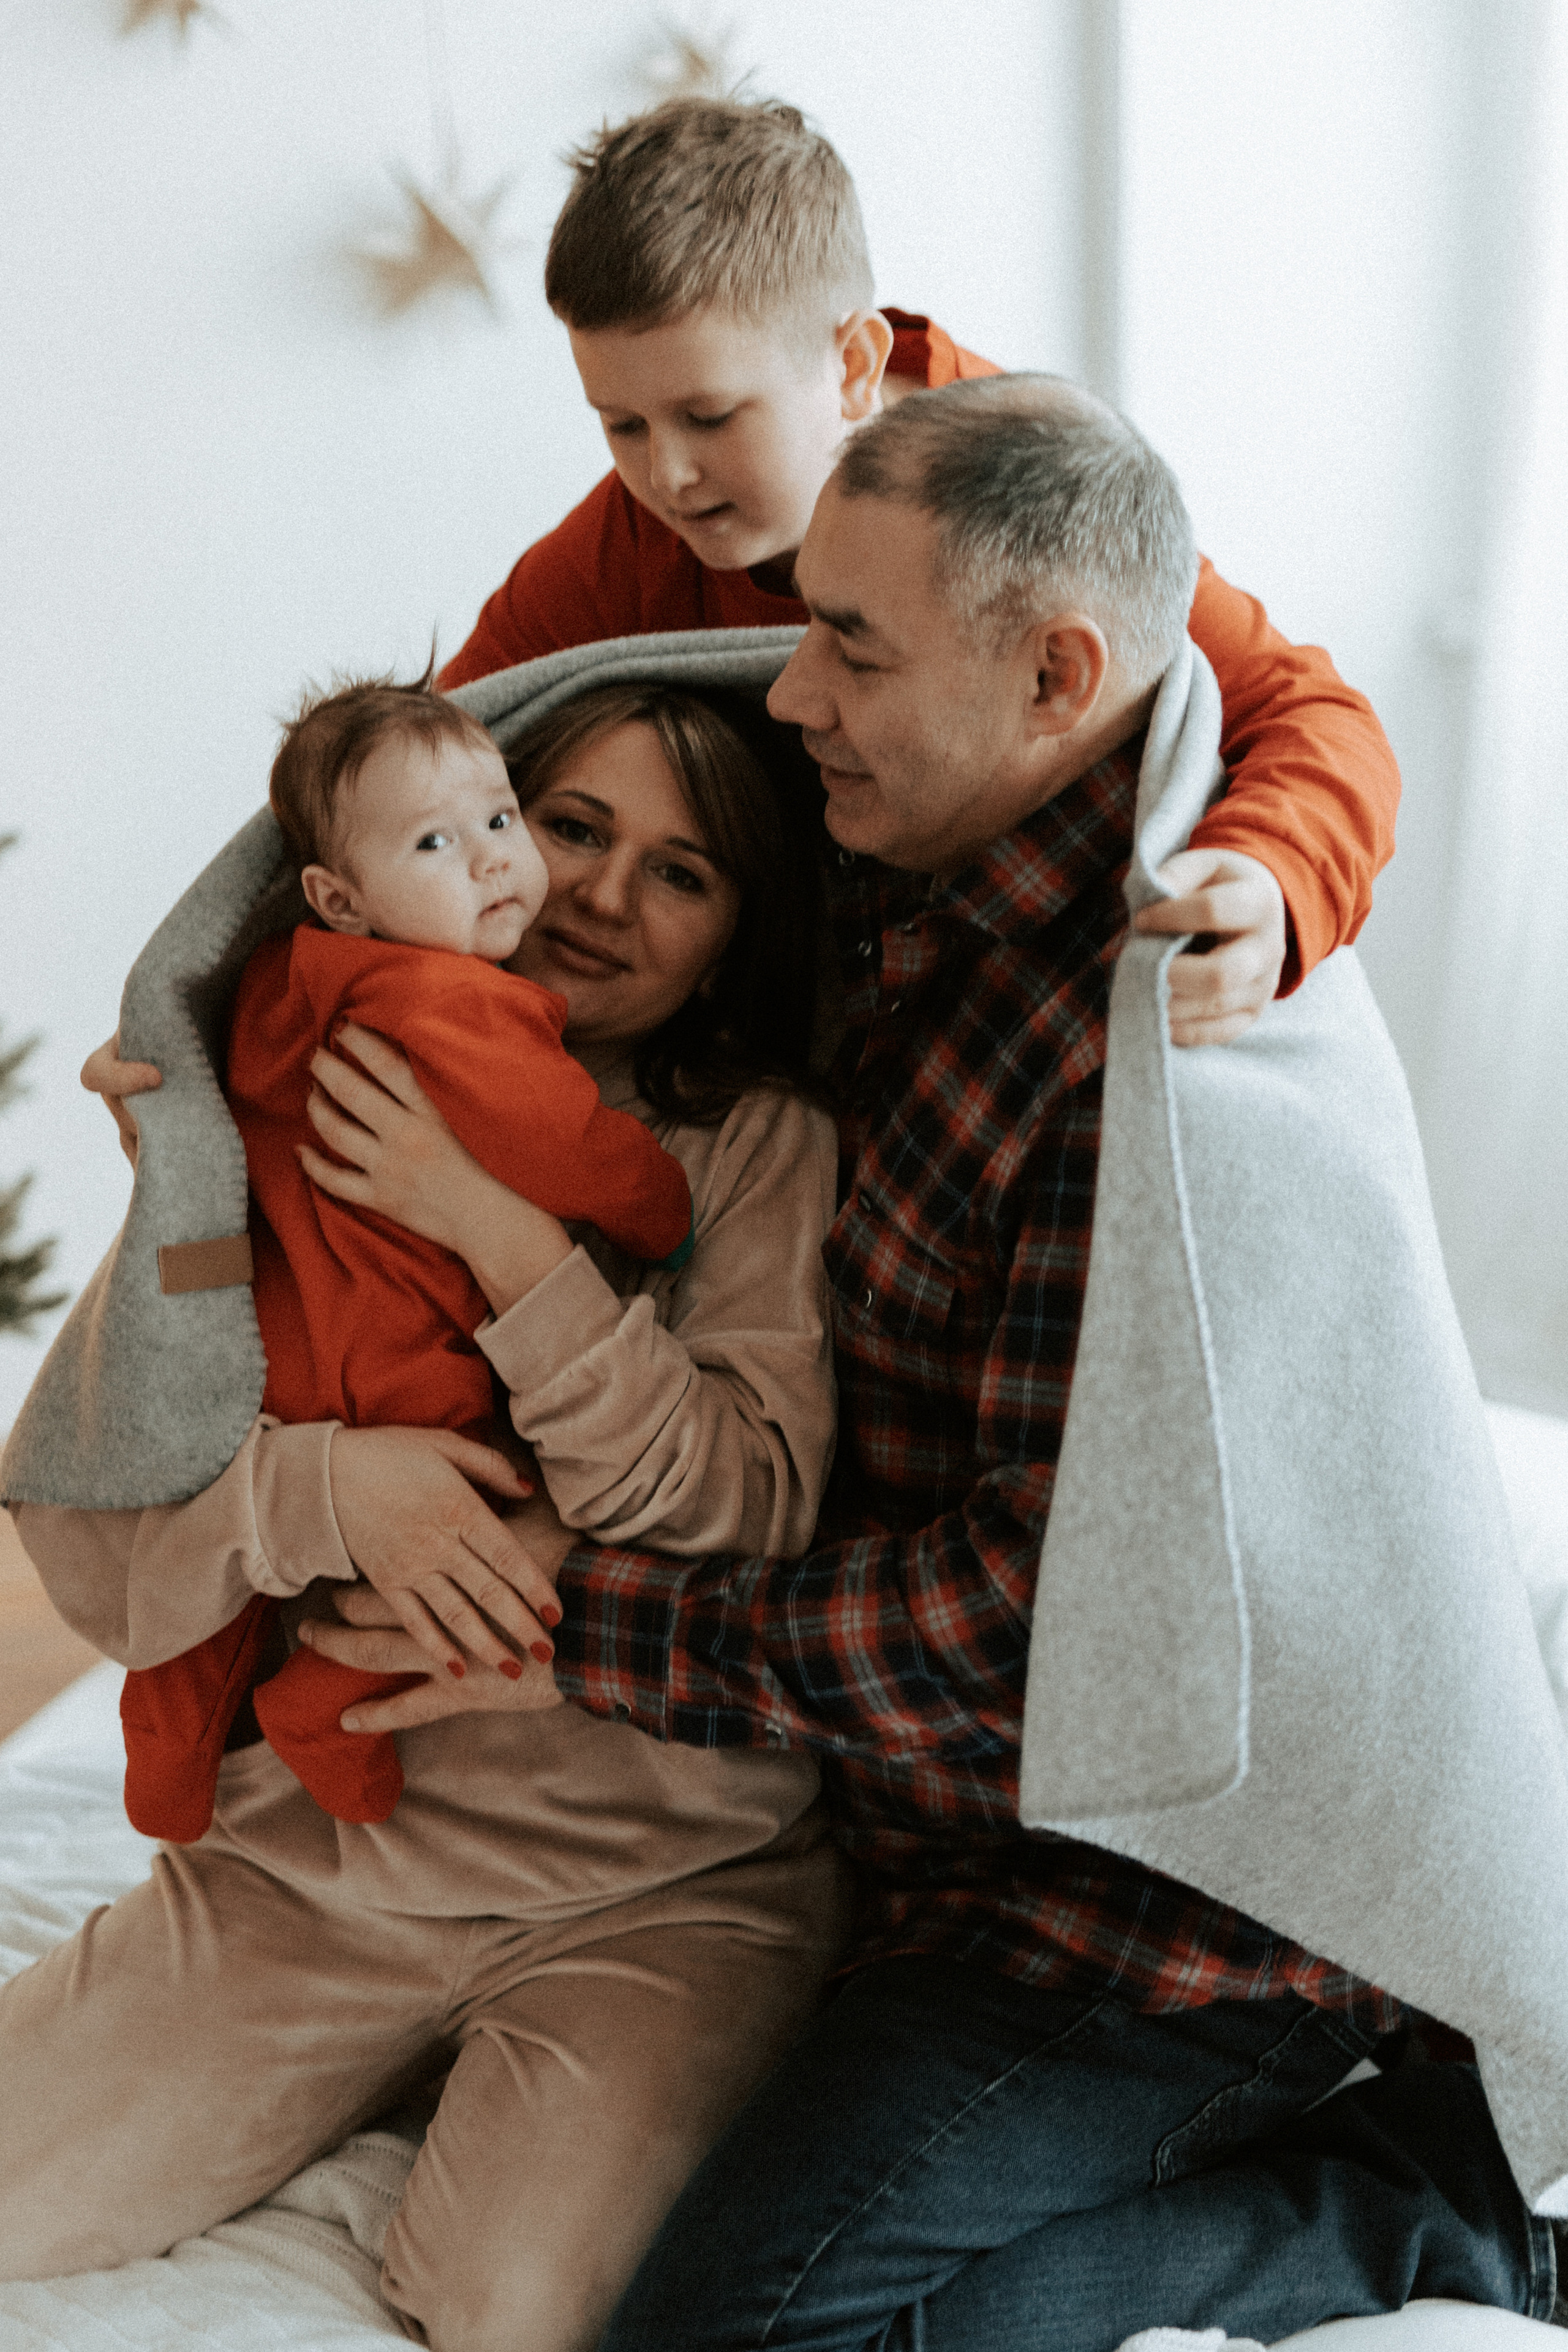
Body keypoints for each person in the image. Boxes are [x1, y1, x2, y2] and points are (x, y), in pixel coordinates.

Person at [301, 377, 1549, 2350]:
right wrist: (232, 1048)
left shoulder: (1151, 1077)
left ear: (1058, 676)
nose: (789, 695)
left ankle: (1425, 2225)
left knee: (734, 2332)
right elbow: (442, 805)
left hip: (1155, 1926)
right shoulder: (904, 868)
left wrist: (579, 1623)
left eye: (849, 646)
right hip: (905, 1848)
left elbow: (1038, 1640)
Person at [0, 679, 852, 2352]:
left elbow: (744, 1502)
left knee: (511, 2308)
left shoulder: (755, 1145)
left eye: (683, 873)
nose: (599, 894)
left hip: (663, 1888)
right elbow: (90, 1536)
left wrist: (490, 1225)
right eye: (577, 826)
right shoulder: (288, 1094)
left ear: (743, 924)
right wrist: (320, 1493)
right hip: (316, 1864)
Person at [438, 92, 1401, 1048]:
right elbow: (433, 759)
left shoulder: (1012, 499)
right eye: (622, 426)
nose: (668, 474)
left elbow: (1312, 712)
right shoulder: (631, 536)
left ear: (856, 363)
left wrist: (1273, 875)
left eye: (712, 416)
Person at [120, 669, 697, 1844]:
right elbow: (568, 1146)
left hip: (271, 1346)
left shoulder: (280, 986)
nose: (494, 861)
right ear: (340, 895)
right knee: (497, 1532)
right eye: (438, 842)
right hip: (397, 1359)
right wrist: (659, 1201)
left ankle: (166, 1760)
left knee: (208, 1609)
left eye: (500, 818)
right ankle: (329, 1705)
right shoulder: (457, 1006)